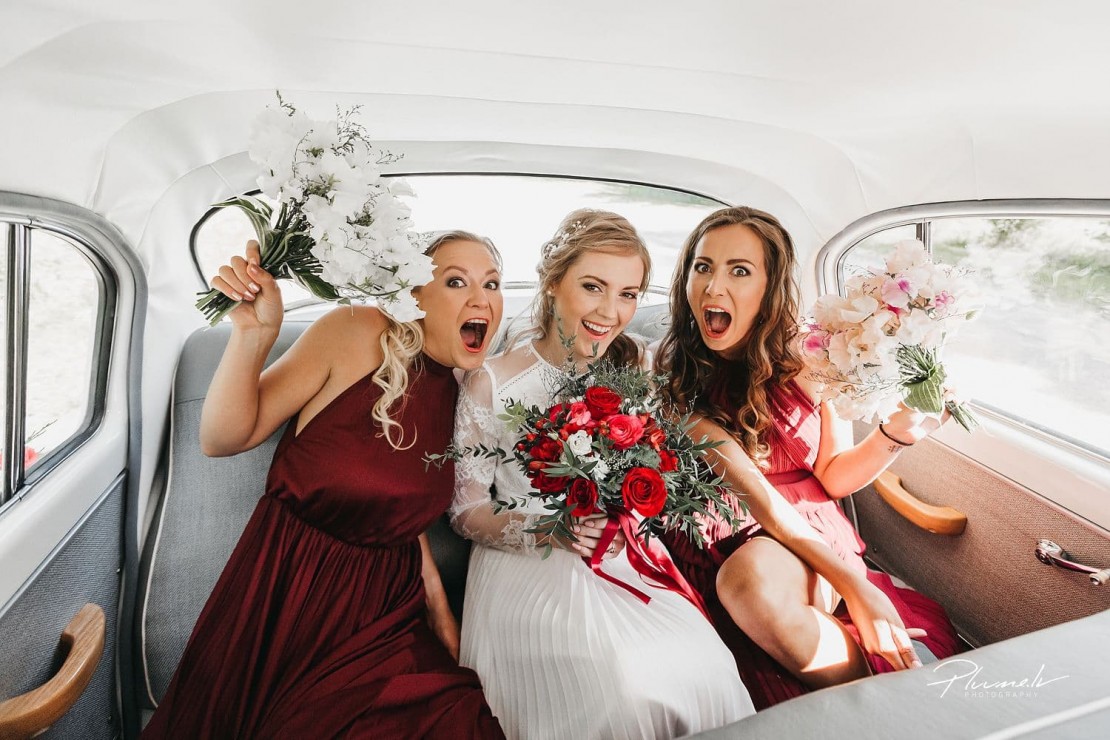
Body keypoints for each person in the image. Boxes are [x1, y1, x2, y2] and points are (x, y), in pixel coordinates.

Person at [144, 231, 506, 738]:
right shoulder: (355, 330)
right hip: (290, 595)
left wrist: (442, 616)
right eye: (456, 281)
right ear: (414, 295)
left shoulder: (469, 388)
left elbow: (397, 517)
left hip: (387, 616)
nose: (481, 299)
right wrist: (253, 335)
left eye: (492, 283)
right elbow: (222, 438)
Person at [449, 209, 755, 740]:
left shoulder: (636, 367)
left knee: (707, 665)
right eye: (593, 287)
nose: (611, 312)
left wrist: (631, 513)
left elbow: (657, 469)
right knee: (625, 686)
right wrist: (550, 530)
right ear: (553, 282)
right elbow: (465, 511)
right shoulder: (492, 383)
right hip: (526, 562)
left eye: (628, 293)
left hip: (620, 555)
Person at [656, 206, 961, 710]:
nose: (713, 287)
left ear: (771, 286)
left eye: (739, 270)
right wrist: (857, 589)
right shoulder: (676, 381)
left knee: (751, 582)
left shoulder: (814, 357)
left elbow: (833, 477)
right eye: (702, 267)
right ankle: (892, 704)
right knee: (745, 582)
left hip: (811, 529)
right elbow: (759, 499)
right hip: (728, 530)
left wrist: (896, 434)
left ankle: (901, 703)